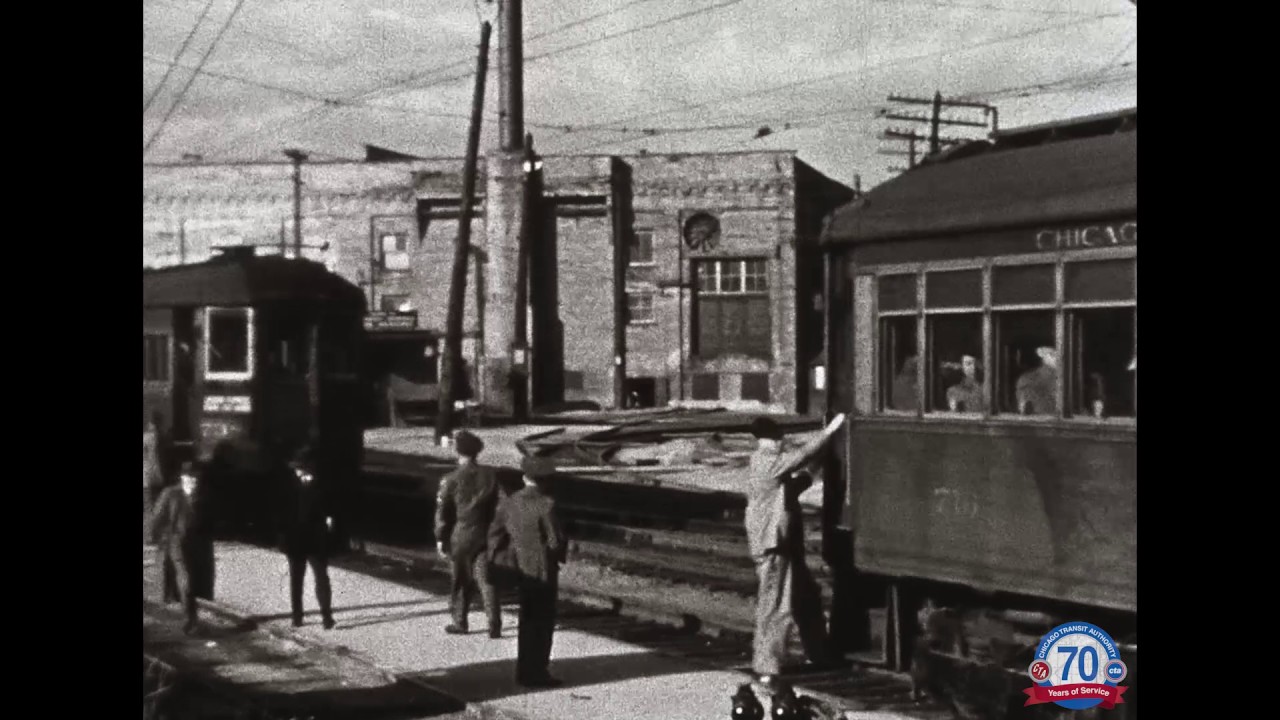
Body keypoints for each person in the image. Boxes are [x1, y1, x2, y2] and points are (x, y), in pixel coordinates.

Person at [744, 414, 846, 691]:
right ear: (768, 439)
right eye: (777, 438)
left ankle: (819, 653)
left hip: (784, 545)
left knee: (803, 598)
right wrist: (828, 432)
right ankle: (766, 670)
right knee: (776, 607)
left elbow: (798, 481)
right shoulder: (766, 462)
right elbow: (799, 457)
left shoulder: (770, 467)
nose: (781, 442)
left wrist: (818, 464)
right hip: (773, 546)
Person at [487, 456, 567, 687]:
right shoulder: (546, 505)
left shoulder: (510, 502)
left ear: (524, 477)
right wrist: (557, 556)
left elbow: (495, 533)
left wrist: (504, 557)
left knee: (527, 619)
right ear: (545, 481)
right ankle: (538, 672)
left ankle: (524, 670)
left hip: (521, 568)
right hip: (543, 569)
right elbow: (554, 542)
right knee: (542, 621)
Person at [435, 430, 502, 637]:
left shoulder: (451, 479)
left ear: (458, 451)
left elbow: (443, 513)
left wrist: (440, 537)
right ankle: (494, 623)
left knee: (461, 580)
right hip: (485, 532)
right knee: (486, 580)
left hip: (460, 535)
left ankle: (460, 622)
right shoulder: (490, 475)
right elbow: (500, 504)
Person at [149, 462, 215, 634]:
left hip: (198, 545)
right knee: (186, 579)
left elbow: (210, 520)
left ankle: (190, 613)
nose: (193, 480)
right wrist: (156, 537)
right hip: (176, 543)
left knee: (195, 580)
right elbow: (157, 517)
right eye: (189, 477)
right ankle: (190, 620)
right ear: (183, 477)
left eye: (195, 477)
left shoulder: (203, 496)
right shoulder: (171, 494)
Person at [277, 446, 336, 630]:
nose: (299, 471)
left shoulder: (320, 483)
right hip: (295, 538)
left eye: (302, 468)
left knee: (321, 577)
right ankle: (297, 616)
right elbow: (280, 513)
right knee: (297, 579)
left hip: (314, 538)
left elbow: (328, 509)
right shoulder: (287, 484)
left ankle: (326, 616)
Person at [1015, 346, 1060, 415]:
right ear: (1041, 353)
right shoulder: (1028, 380)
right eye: (1052, 354)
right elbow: (1026, 409)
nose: (1058, 358)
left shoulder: (1067, 380)